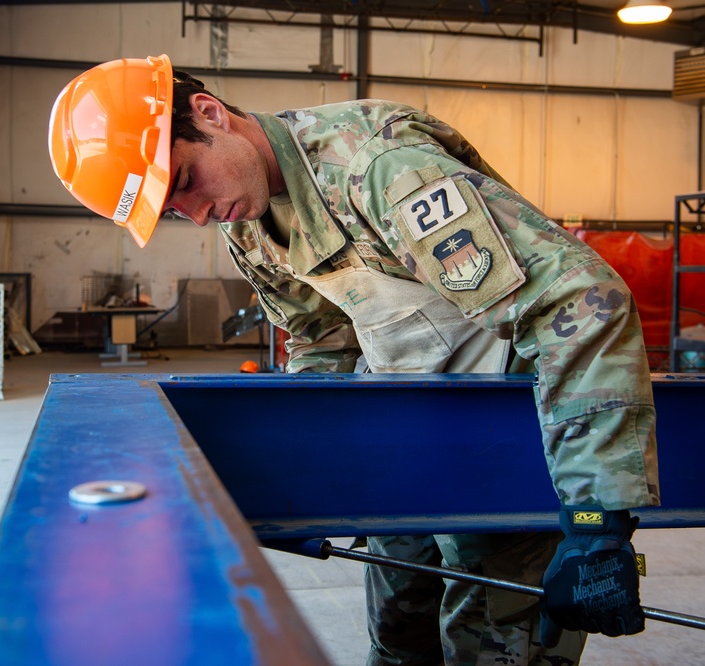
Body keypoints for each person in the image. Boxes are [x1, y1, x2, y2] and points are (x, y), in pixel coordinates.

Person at [48, 54, 660, 666]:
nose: (200, 212)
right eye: (175, 212)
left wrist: (596, 516)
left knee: (493, 649)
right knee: (398, 642)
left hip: (501, 444)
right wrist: (320, 470)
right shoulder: (251, 224)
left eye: (184, 182)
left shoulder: (380, 168)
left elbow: (580, 302)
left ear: (210, 115)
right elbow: (322, 342)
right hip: (404, 441)